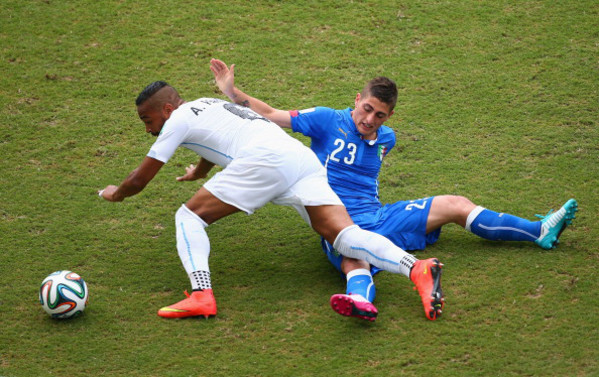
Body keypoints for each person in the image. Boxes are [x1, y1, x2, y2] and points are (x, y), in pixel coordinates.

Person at [209, 58, 578, 322]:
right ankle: (361, 301)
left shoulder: (387, 138)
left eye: (379, 115)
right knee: (353, 254)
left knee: (454, 204)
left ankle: (538, 232)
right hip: (336, 223)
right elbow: (271, 114)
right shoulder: (326, 120)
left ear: (389, 118)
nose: (369, 120)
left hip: (378, 217)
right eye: (366, 109)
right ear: (356, 99)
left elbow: (375, 152)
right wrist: (232, 92)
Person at [99, 81, 446, 321]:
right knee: (342, 235)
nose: (148, 128)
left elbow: (139, 179)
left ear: (168, 108)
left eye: (148, 119)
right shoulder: (209, 105)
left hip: (263, 161)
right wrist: (201, 171)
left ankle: (201, 295)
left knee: (188, 218)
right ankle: (416, 268)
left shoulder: (176, 120)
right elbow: (214, 139)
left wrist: (116, 192)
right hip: (300, 159)